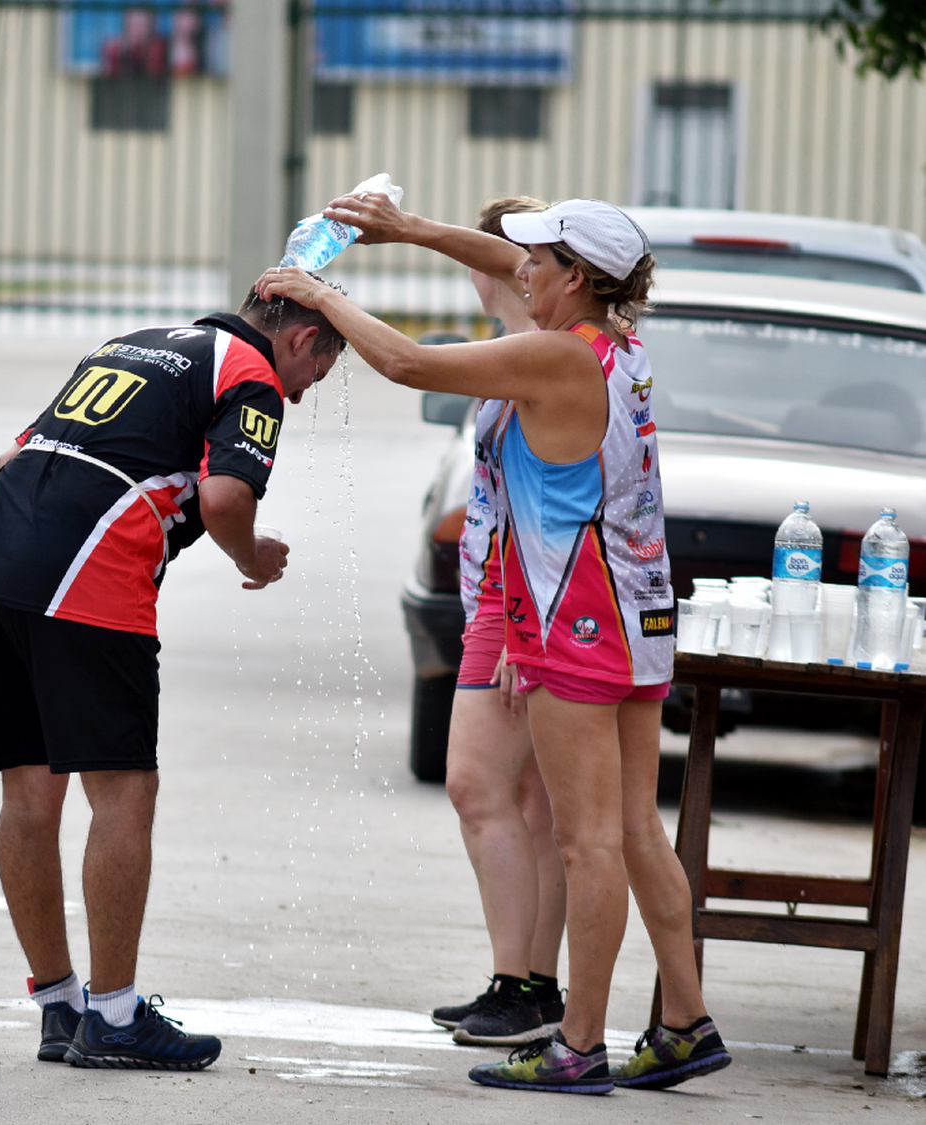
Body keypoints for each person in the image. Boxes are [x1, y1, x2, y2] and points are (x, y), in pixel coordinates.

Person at [258, 197, 730, 1094]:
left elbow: (405, 361)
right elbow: (505, 260)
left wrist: (318, 293)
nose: (520, 273)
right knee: (633, 830)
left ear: (577, 277)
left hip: (573, 619)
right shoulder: (616, 344)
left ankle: (578, 1044)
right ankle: (684, 1022)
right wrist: (414, 232)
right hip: (635, 618)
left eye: (537, 262)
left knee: (588, 843)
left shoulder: (553, 355)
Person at [0, 283, 345, 1071]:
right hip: (89, 569)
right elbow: (226, 494)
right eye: (319, 376)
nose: (302, 396)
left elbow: (12, 452)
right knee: (124, 788)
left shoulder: (135, 341)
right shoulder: (253, 374)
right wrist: (251, 555)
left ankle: (59, 1006)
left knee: (28, 792)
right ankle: (118, 1015)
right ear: (303, 340)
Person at [426, 198, 568, 1049]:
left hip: (519, 602)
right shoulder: (545, 351)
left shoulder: (529, 358)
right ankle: (533, 984)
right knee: (530, 803)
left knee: (476, 786)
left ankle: (518, 985)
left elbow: (538, 509)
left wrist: (518, 627)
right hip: (526, 601)